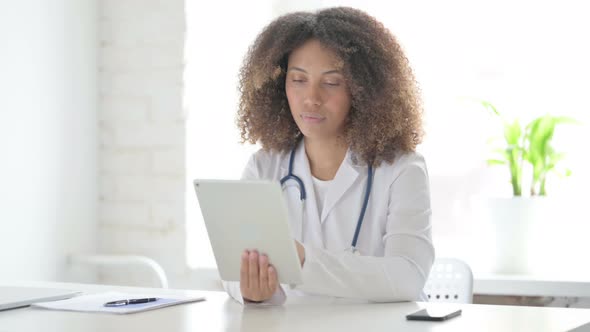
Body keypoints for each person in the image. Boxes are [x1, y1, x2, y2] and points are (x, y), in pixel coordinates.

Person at [224, 6, 434, 305]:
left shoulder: (402, 169)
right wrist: (249, 290)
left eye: (332, 82)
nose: (311, 98)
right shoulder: (264, 166)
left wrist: (303, 261)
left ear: (363, 91)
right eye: (298, 80)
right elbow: (234, 266)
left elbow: (407, 277)